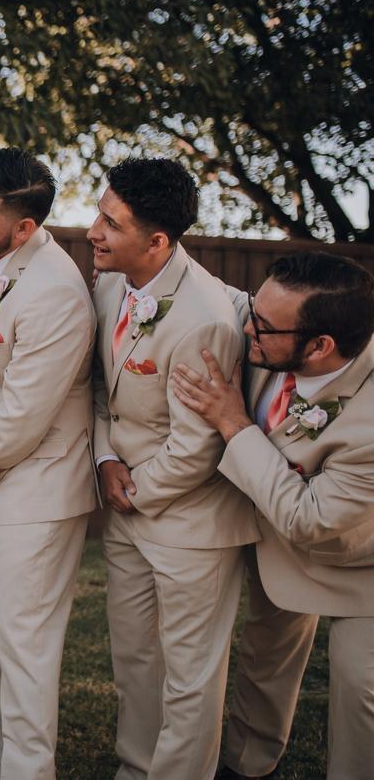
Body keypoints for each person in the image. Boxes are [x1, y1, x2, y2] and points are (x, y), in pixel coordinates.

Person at [171, 252, 374, 780]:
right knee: (268, 652)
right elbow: (216, 291)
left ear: (320, 346)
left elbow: (310, 518)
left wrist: (234, 423)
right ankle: (245, 765)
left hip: (364, 562)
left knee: (361, 690)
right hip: (279, 537)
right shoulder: (268, 327)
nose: (245, 326)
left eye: (262, 325)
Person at [88, 158, 257, 779]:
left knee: (190, 676)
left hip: (193, 523)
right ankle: (136, 769)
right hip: (125, 499)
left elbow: (200, 446)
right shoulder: (109, 283)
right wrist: (106, 459)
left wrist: (136, 492)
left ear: (157, 241)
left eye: (111, 223)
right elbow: (99, 388)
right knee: (134, 657)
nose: (93, 231)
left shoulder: (204, 318)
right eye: (100, 212)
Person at [0, 149, 98, 780]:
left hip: (36, 492)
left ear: (25, 228)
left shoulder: (57, 291)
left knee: (28, 653)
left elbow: (24, 414)